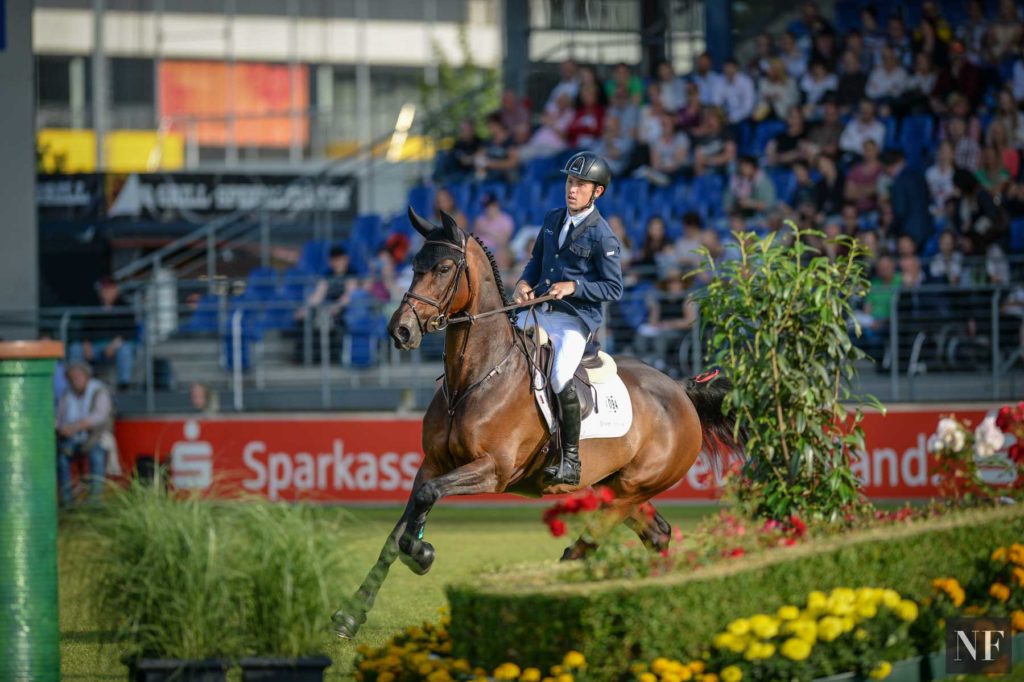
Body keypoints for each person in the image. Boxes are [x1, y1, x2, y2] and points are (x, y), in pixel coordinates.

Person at [513, 152, 624, 487]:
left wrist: (574, 286)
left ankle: (570, 459)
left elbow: (614, 287)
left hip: (575, 322)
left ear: (597, 192)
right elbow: (535, 261)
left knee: (560, 376)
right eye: (570, 182)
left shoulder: (602, 236)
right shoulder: (552, 219)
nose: (572, 189)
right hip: (540, 312)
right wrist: (523, 283)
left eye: (580, 184)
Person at [56, 361, 115, 506]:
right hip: (72, 439)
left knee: (97, 454)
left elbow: (100, 416)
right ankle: (67, 499)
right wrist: (61, 428)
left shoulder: (99, 391)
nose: (75, 380)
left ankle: (95, 498)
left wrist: (76, 426)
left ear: (87, 376)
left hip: (95, 437)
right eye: (72, 377)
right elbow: (59, 417)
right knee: (61, 457)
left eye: (78, 376)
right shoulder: (66, 394)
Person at [69, 277, 137, 391]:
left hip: (115, 347)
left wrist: (114, 345)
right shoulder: (93, 306)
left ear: (116, 289)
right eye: (104, 289)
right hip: (95, 347)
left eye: (110, 288)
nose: (106, 292)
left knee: (125, 349)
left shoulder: (125, 307)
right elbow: (84, 330)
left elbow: (130, 331)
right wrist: (86, 344)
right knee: (75, 348)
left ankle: (124, 386)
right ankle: (77, 384)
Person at [884, 149, 934, 249]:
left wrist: (890, 230)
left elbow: (900, 211)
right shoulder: (918, 175)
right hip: (927, 227)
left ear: (888, 166)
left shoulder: (899, 181)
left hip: (909, 232)